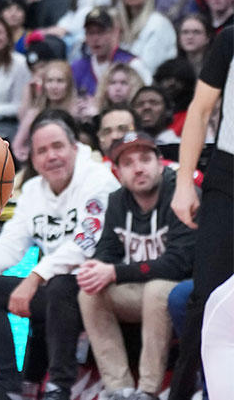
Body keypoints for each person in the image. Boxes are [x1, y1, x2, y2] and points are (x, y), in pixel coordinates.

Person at [0, 115, 120, 400]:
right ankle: (6, 386)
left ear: (74, 147)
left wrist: (35, 277)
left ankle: (59, 386)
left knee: (60, 284)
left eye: (58, 146)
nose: (51, 156)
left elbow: (86, 243)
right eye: (42, 151)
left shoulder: (99, 179)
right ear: (32, 159)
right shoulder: (33, 190)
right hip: (58, 289)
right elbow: (11, 241)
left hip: (103, 285)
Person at [77, 131, 195, 400]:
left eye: (144, 159)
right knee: (90, 293)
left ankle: (147, 390)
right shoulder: (117, 200)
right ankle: (119, 388)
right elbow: (107, 249)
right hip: (141, 288)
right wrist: (95, 268)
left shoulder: (181, 193)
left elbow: (179, 263)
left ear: (160, 162)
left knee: (157, 290)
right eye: (128, 163)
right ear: (117, 172)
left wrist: (115, 272)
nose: (138, 168)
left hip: (183, 290)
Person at [169, 26, 233, 400]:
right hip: (228, 175)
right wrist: (182, 183)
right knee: (205, 300)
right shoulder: (230, 40)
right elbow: (200, 110)